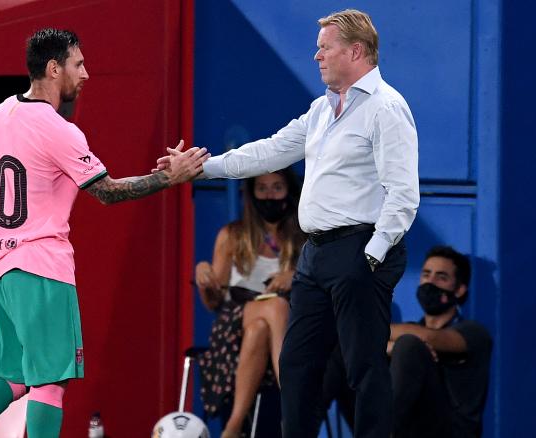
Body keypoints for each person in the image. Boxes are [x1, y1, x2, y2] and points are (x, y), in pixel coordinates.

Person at [0, 28, 208, 438]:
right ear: (53, 68)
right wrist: (170, 178)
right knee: (50, 380)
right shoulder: (58, 128)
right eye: (78, 64)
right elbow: (107, 191)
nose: (86, 74)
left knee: (10, 372)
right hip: (42, 267)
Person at [156, 8, 419, 437]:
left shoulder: (387, 108)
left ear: (355, 51)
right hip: (316, 254)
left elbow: (404, 195)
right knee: (296, 364)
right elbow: (266, 153)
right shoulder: (321, 109)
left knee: (363, 367)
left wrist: (370, 256)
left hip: (362, 249)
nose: (316, 57)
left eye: (324, 49)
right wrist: (200, 168)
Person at [318, 246, 493, 438]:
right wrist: (389, 347)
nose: (430, 282)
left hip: (446, 432)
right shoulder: (405, 334)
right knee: (343, 351)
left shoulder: (474, 333)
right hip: (398, 426)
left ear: (459, 290)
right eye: (426, 274)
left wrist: (387, 342)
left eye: (441, 277)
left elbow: (429, 338)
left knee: (409, 345)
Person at [195, 169, 306, 438]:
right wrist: (204, 279)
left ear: (290, 192)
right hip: (233, 325)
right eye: (262, 188)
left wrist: (297, 277)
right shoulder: (232, 235)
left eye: (277, 187)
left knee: (261, 327)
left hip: (281, 328)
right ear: (252, 194)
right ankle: (294, 404)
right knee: (275, 307)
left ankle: (232, 428)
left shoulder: (304, 239)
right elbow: (214, 303)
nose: (269, 195)